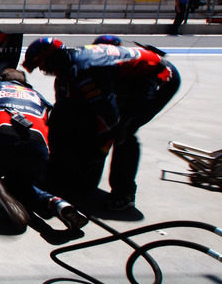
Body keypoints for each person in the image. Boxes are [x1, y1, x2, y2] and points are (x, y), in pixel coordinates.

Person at [22, 37, 180, 210]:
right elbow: (63, 109)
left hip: (158, 77)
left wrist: (99, 151)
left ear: (54, 58)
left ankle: (124, 193)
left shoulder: (86, 71)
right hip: (123, 77)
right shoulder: (69, 67)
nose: (44, 71)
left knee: (124, 132)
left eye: (43, 65)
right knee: (71, 115)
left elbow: (109, 118)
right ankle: (63, 172)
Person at [0, 68, 87, 230]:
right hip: (37, 144)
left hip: (1, 137)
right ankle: (57, 203)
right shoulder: (38, 96)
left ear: (1, 79)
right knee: (22, 184)